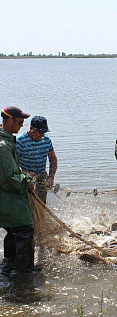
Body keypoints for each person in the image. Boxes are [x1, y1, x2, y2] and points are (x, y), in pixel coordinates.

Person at [0, 106, 35, 275]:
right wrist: (27, 180)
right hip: (8, 198)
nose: (21, 126)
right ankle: (24, 274)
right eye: (20, 122)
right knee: (25, 230)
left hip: (5, 199)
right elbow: (11, 180)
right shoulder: (4, 146)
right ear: (10, 120)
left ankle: (9, 264)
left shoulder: (7, 141)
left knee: (12, 230)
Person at [17, 116, 57, 204]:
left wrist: (51, 177)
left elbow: (53, 159)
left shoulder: (46, 140)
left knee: (41, 204)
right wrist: (25, 173)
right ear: (31, 128)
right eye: (39, 132)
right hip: (26, 178)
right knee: (28, 205)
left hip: (42, 177)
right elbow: (13, 163)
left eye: (43, 132)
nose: (41, 135)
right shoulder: (20, 141)